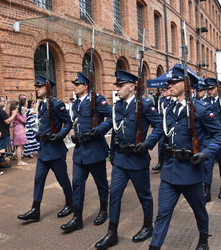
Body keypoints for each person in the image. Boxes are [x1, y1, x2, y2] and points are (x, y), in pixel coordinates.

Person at [149, 66, 221, 250]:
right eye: (169, 82)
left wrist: (206, 154)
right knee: (162, 214)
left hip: (191, 171)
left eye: (174, 82)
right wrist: (148, 143)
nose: (170, 85)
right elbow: (163, 131)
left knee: (199, 211)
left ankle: (203, 240)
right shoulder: (169, 107)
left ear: (186, 84)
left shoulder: (200, 109)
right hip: (170, 170)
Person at [94, 70, 163, 249]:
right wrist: (112, 153)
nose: (117, 89)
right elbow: (116, 129)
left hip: (137, 159)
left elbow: (159, 126)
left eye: (120, 86)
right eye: (117, 86)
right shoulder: (117, 106)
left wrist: (148, 144)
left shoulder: (145, 105)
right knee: (114, 195)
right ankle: (112, 233)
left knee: (144, 195)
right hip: (120, 160)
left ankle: (148, 225)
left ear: (132, 87)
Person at [60, 72, 112, 233]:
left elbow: (111, 117)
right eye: (74, 84)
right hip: (80, 151)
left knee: (101, 183)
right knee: (77, 183)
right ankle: (77, 218)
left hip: (95, 149)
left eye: (77, 85)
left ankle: (104, 210)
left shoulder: (97, 100)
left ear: (85, 86)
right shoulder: (75, 104)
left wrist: (98, 131)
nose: (74, 87)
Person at [17, 75, 73, 222]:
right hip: (43, 149)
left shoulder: (57, 104)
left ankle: (70, 203)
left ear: (47, 88)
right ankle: (35, 210)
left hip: (55, 150)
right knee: (38, 180)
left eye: (39, 87)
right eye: (36, 86)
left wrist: (60, 135)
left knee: (63, 179)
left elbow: (68, 123)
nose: (36, 89)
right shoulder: (41, 105)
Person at [152, 85, 173, 171]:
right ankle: (161, 162)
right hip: (164, 126)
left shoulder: (172, 101)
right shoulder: (162, 100)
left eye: (167, 90)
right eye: (164, 90)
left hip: (171, 127)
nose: (165, 92)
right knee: (161, 144)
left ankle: (168, 162)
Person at [11, 98, 29, 165]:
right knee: (20, 145)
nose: (18, 106)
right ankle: (19, 161)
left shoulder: (13, 112)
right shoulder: (14, 112)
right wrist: (24, 113)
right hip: (19, 128)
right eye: (17, 105)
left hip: (17, 128)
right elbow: (23, 120)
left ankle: (19, 160)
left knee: (19, 145)